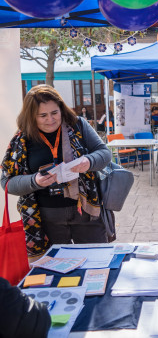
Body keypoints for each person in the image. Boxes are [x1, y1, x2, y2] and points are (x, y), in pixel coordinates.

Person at [1, 85, 112, 258]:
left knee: (98, 261)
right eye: (43, 115)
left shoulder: (78, 125)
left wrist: (88, 161)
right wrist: (34, 181)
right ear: (31, 116)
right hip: (46, 220)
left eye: (54, 112)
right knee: (55, 273)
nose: (50, 119)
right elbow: (7, 182)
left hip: (87, 212)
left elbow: (104, 154)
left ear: (61, 108)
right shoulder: (21, 140)